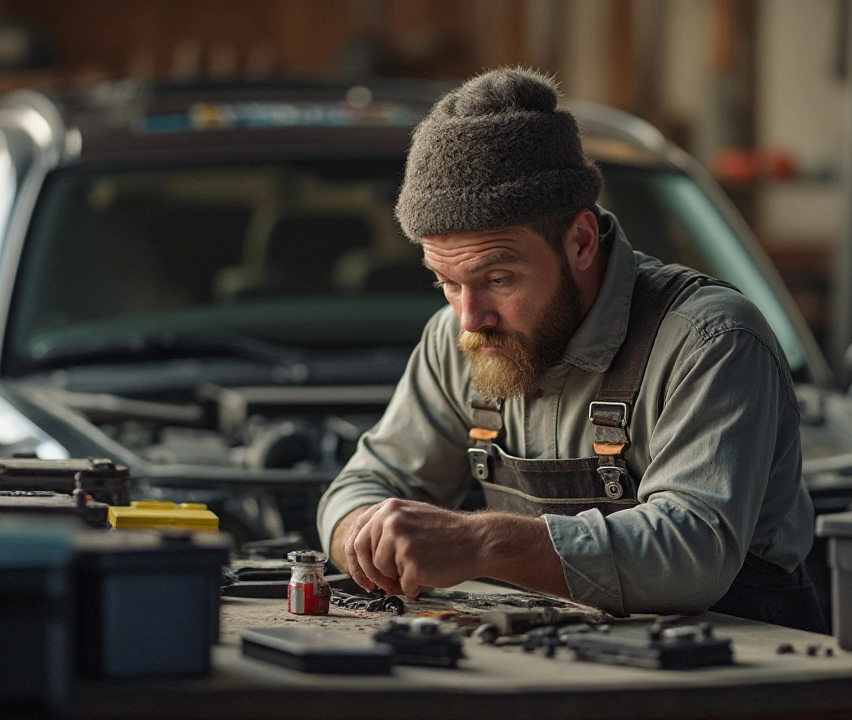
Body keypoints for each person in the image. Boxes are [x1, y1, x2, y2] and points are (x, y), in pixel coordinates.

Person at [317, 67, 826, 631]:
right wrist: (366, 534)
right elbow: (360, 486)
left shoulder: (711, 342)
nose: (470, 318)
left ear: (581, 241)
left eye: (499, 278)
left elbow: (690, 554)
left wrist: (482, 540)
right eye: (448, 281)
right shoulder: (455, 339)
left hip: (731, 680)